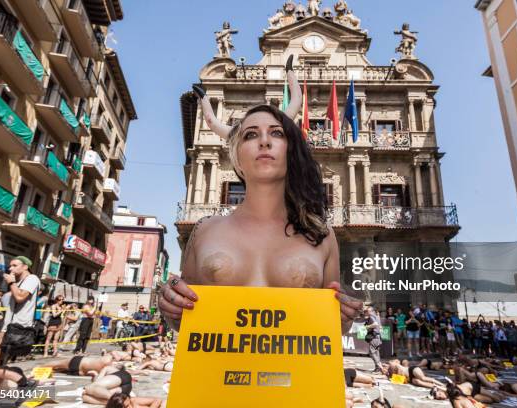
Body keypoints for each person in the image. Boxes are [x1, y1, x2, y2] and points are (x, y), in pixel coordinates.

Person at [158, 63, 362, 334]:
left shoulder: (322, 235)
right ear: (237, 158)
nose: (264, 141)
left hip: (294, 375)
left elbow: (331, 329)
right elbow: (185, 322)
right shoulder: (204, 230)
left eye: (276, 133)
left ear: (291, 151)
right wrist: (172, 305)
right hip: (216, 374)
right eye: (251, 135)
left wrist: (343, 318)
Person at [0, 256, 40, 389]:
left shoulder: (32, 279)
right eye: (10, 265)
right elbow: (12, 306)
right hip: (7, 327)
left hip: (14, 328)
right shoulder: (18, 283)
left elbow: (20, 297)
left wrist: (11, 283)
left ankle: (22, 380)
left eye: (14, 265)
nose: (10, 268)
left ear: (25, 266)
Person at [363, 306, 382, 373]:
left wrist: (367, 326)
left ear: (370, 311)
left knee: (372, 352)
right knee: (376, 353)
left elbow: (375, 324)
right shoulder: (377, 316)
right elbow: (380, 327)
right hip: (378, 337)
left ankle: (379, 367)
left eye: (367, 311)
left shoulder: (371, 316)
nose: (366, 313)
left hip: (374, 337)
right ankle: (378, 369)